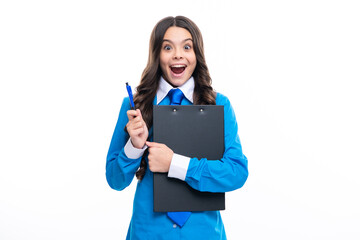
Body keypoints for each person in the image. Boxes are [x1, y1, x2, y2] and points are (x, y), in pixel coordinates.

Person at [106, 16, 248, 240]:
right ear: (157, 55)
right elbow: (115, 180)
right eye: (168, 47)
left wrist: (175, 164)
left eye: (187, 46)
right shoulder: (136, 106)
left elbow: (236, 173)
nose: (178, 54)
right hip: (148, 233)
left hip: (203, 234)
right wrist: (134, 146)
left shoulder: (219, 105)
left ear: (196, 54)